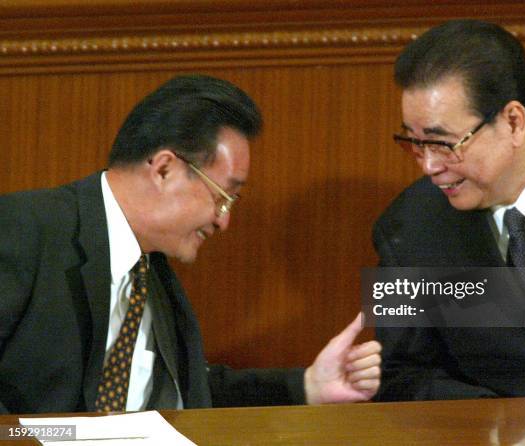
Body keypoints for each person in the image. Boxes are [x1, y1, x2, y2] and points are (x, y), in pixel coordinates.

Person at [0, 75, 381, 414]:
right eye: (222, 195)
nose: (223, 219)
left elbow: (188, 396)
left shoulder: (153, 274)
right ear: (164, 169)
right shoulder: (22, 230)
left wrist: (307, 387)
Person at [374, 19, 525, 401]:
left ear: (513, 121)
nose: (429, 166)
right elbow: (400, 376)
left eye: (443, 143)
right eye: (414, 143)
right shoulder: (406, 231)